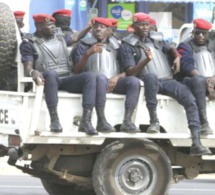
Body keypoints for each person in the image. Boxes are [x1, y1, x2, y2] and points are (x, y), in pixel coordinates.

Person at [119, 12, 211, 156]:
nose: (145, 27)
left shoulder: (157, 38)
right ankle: (154, 121)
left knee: (190, 100)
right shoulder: (127, 44)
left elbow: (169, 48)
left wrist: (177, 56)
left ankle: (196, 142)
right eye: (141, 25)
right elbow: (131, 72)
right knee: (150, 76)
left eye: (147, 24)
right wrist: (146, 60)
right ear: (134, 26)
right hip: (147, 81)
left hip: (167, 80)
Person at [20, 13, 111, 135]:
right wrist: (33, 72)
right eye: (49, 25)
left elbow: (75, 37)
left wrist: (89, 27)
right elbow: (27, 67)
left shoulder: (59, 37)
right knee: (52, 73)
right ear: (40, 27)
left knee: (90, 76)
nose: (53, 27)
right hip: (49, 80)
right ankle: (54, 119)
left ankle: (86, 120)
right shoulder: (29, 43)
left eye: (53, 24)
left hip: (66, 79)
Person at [73, 17, 141, 133]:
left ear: (109, 31)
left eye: (102, 27)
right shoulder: (83, 45)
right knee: (100, 78)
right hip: (92, 83)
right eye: (95, 27)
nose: (98, 30)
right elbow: (77, 70)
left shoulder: (118, 46)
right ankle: (101, 120)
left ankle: (127, 121)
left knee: (134, 81)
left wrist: (118, 77)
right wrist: (87, 55)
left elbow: (128, 69)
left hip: (113, 81)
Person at [177, 18, 214, 136]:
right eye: (197, 32)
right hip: (192, 81)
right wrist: (206, 82)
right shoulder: (185, 45)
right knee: (199, 80)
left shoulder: (213, 45)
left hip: (212, 79)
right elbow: (187, 65)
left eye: (204, 33)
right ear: (193, 33)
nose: (201, 36)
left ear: (208, 33)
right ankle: (203, 123)